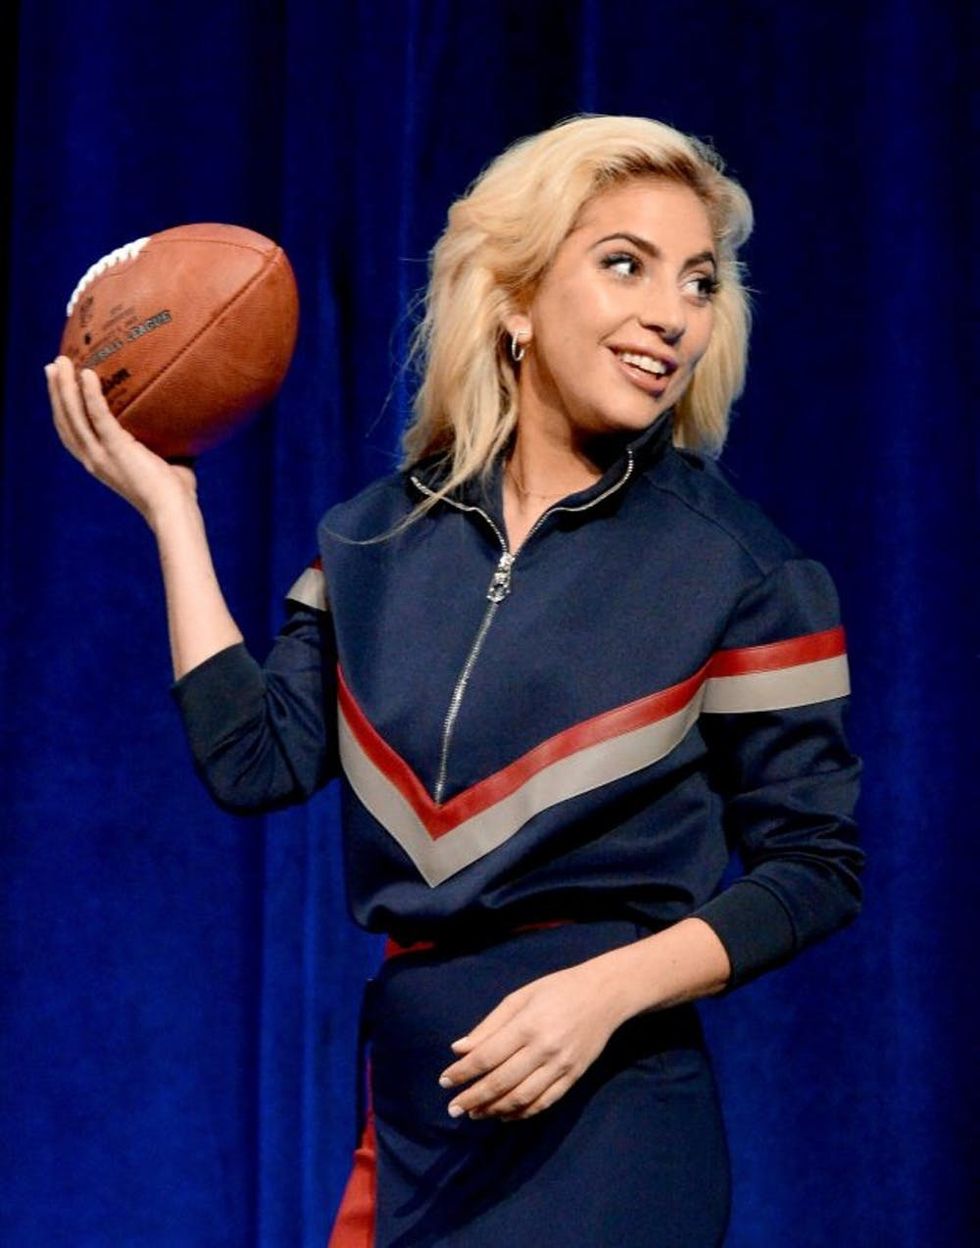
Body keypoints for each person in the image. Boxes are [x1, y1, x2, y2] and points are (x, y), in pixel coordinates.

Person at [46, 114, 864, 1247]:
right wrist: (172, 514)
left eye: (698, 281)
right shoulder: (372, 541)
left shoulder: (743, 567)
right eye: (623, 264)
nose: (671, 314)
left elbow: (813, 870)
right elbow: (255, 761)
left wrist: (607, 992)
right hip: (415, 1115)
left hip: (612, 1125)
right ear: (515, 300)